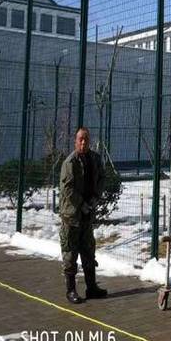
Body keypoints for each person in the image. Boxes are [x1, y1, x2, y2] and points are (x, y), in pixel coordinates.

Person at [59, 127, 108, 304]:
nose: (83, 142)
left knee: (88, 252)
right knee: (70, 254)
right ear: (75, 141)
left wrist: (95, 197)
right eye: (80, 139)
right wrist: (82, 204)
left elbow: (102, 178)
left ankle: (91, 288)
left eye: (86, 139)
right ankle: (71, 290)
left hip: (87, 217)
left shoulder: (94, 158)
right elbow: (67, 189)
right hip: (72, 217)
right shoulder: (70, 162)